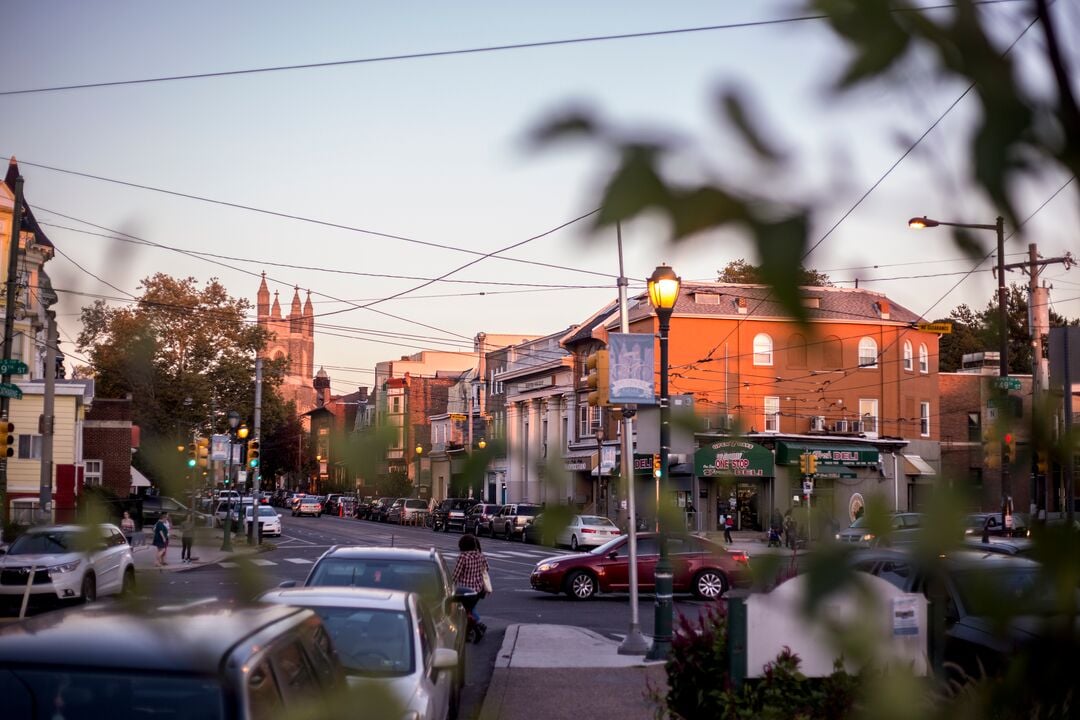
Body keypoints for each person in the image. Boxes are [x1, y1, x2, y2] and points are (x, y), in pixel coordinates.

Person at [451, 533, 490, 642]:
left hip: (465, 591)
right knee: (470, 609)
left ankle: (477, 624)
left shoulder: (463, 557)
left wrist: (450, 585)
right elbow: (486, 569)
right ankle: (470, 631)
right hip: (478, 590)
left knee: (466, 611)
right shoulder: (480, 556)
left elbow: (456, 574)